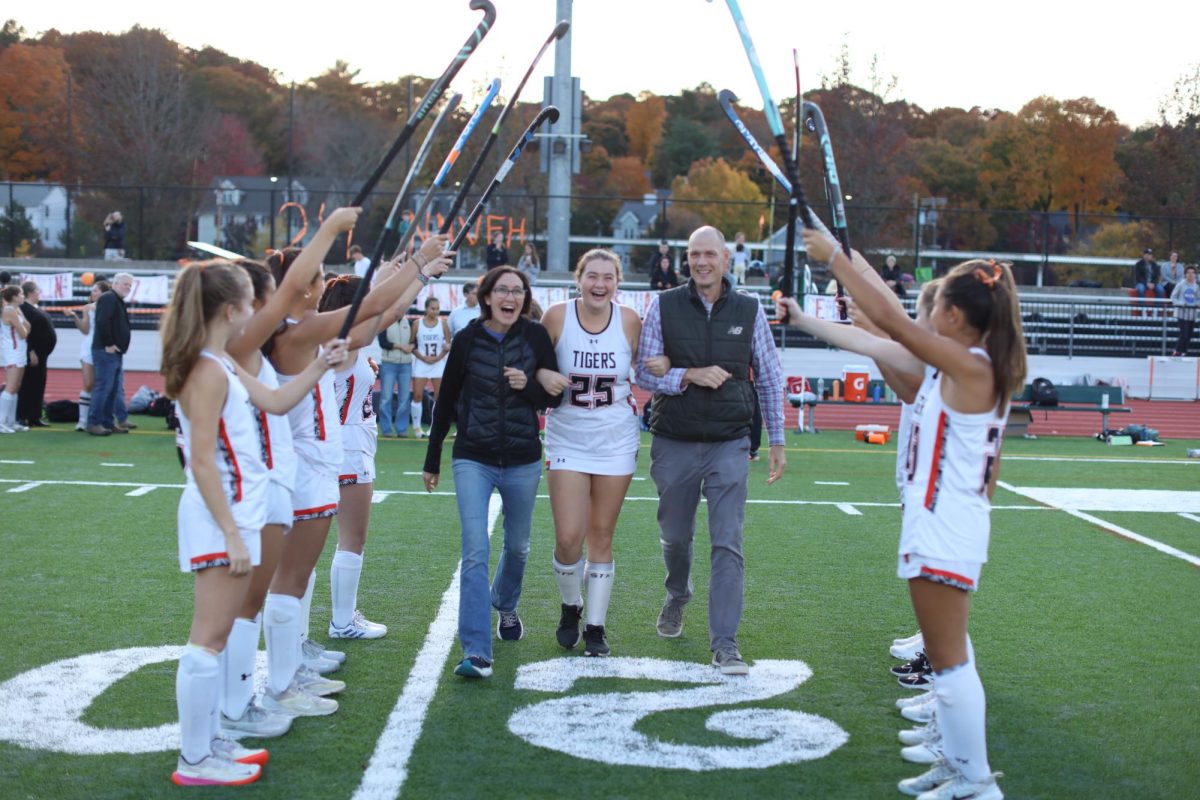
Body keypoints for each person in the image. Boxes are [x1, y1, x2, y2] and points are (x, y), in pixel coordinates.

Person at [809, 227, 1026, 800]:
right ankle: (959, 766)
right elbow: (878, 338)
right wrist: (800, 316)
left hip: (946, 524)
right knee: (952, 658)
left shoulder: (972, 366)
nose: (932, 314)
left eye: (941, 306)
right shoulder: (965, 364)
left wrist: (835, 257)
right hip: (941, 520)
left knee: (951, 667)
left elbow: (896, 324)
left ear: (956, 317)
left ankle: (974, 781)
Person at [161, 260, 350, 786]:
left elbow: (275, 398)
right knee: (208, 638)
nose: (259, 311)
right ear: (230, 310)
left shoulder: (219, 361)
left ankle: (206, 746)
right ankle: (194, 759)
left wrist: (319, 366)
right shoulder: (204, 368)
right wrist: (228, 532)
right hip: (223, 517)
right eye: (251, 301)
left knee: (217, 636)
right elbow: (201, 461)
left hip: (239, 512)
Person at [260, 233, 452, 715]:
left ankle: (292, 669)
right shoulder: (294, 333)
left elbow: (374, 318)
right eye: (316, 280)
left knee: (297, 578)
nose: (322, 286)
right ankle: (281, 681)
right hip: (306, 464)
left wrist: (409, 269)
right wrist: (418, 267)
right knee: (287, 581)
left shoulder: (304, 330)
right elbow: (373, 309)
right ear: (295, 289)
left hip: (320, 462)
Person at [218, 207, 363, 734]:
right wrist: (328, 231)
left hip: (274, 480)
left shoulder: (240, 357)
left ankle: (253, 700)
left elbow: (278, 404)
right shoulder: (237, 351)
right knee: (237, 611)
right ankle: (236, 713)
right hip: (247, 490)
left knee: (255, 602)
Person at [635, 225, 787, 676]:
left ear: (726, 259)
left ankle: (725, 643)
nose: (701, 262)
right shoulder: (661, 307)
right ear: (687, 259)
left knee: (728, 542)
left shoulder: (750, 309)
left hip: (729, 441)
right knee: (676, 538)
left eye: (709, 254)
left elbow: (771, 376)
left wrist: (776, 438)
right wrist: (686, 375)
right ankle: (678, 594)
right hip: (675, 440)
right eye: (693, 254)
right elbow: (643, 373)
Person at [421, 267, 559, 679]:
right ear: (486, 297)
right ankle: (477, 650)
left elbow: (556, 395)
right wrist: (432, 459)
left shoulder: (535, 337)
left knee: (517, 547)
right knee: (475, 550)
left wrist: (527, 387)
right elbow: (445, 400)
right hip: (473, 457)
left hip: (522, 458)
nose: (510, 297)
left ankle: (507, 603)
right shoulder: (465, 340)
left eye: (518, 291)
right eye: (503, 290)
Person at [536, 249, 641, 657]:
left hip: (615, 438)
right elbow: (534, 365)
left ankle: (595, 626)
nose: (600, 284)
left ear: (618, 282)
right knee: (567, 538)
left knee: (601, 534)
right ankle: (570, 605)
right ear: (579, 279)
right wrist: (541, 374)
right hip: (568, 436)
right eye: (592, 276)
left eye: (608, 277)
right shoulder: (557, 316)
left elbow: (647, 370)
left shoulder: (630, 320)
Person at [321, 273, 430, 641]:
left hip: (350, 443)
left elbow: (386, 298)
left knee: (345, 539)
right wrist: (421, 273)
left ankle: (343, 618)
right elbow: (392, 306)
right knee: (352, 538)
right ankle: (342, 622)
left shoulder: (344, 340)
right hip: (348, 446)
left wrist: (398, 271)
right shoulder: (347, 341)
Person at [86, 272, 133, 435]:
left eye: (130, 285)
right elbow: (102, 321)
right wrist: (109, 343)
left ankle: (107, 423)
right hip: (106, 351)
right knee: (103, 388)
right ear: (115, 284)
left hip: (114, 352)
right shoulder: (109, 298)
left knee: (112, 389)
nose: (128, 287)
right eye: (125, 284)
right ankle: (94, 423)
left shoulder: (116, 300)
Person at [69, 280, 110, 431]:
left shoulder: (109, 306)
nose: (92, 293)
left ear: (103, 293)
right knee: (88, 384)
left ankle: (100, 418)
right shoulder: (87, 308)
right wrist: (75, 317)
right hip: (88, 347)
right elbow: (85, 330)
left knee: (102, 385)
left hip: (104, 347)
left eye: (96, 290)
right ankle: (82, 420)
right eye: (92, 290)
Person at [17, 281, 56, 427]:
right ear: (31, 292)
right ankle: (22, 415)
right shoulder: (24, 309)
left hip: (42, 354)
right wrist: (31, 350)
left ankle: (34, 416)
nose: (40, 293)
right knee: (28, 384)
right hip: (33, 353)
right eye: (38, 291)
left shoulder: (34, 307)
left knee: (38, 384)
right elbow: (26, 333)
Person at [409, 296, 450, 438]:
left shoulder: (443, 324)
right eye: (433, 308)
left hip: (438, 364)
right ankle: (417, 428)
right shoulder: (417, 324)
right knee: (417, 395)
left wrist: (438, 358)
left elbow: (448, 345)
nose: (436, 311)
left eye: (438, 308)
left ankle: (434, 428)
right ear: (426, 308)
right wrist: (423, 358)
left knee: (439, 397)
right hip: (421, 363)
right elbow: (412, 345)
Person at [377, 310, 413, 437]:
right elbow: (383, 343)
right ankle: (386, 429)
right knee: (386, 398)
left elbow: (415, 341)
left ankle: (402, 429)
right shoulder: (385, 323)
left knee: (404, 399)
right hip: (388, 364)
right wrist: (401, 346)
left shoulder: (409, 322)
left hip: (406, 364)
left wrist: (411, 347)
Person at [1, 285, 31, 433]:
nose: (23, 296)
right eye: (21, 294)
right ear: (14, 297)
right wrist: (24, 327)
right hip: (12, 352)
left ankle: (11, 422)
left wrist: (22, 316)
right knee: (11, 387)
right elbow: (24, 333)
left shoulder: (16, 310)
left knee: (16, 387)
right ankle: (1, 421)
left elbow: (28, 327)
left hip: (19, 350)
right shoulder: (9, 311)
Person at [1171, 265, 1198, 356]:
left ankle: (1184, 352)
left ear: (1195, 275)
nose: (1190, 274)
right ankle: (1177, 351)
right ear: (1185, 274)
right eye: (1188, 273)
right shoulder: (1180, 285)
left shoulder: (1197, 286)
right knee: (1184, 334)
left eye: (1192, 273)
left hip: (1192, 314)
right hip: (1181, 313)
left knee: (1189, 335)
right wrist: (1181, 303)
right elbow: (1173, 298)